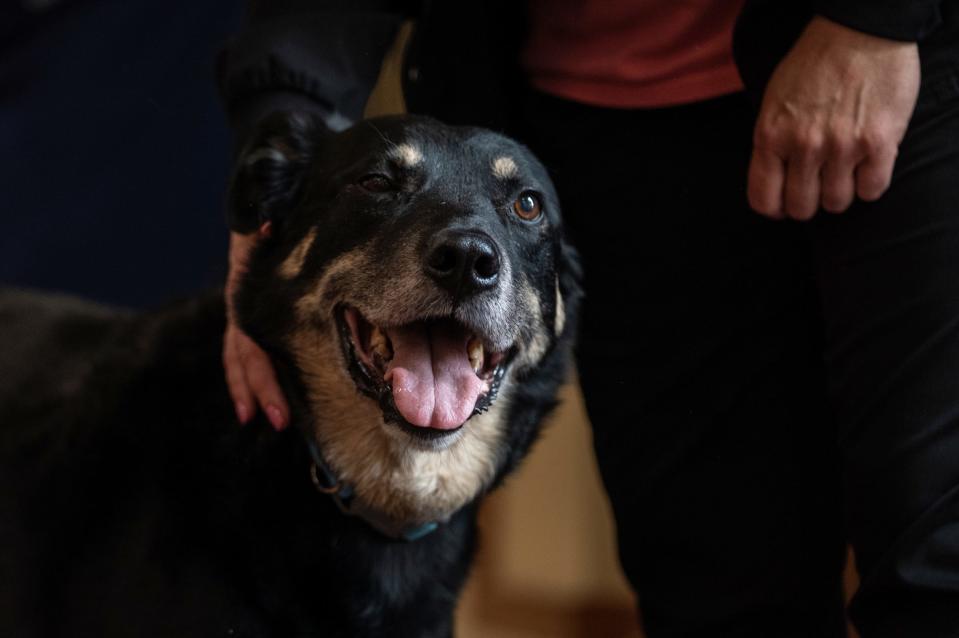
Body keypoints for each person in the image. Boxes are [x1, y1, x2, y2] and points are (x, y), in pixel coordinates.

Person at [216, 2, 959, 635]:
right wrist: (284, 128)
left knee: (936, 562)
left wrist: (872, 16)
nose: (469, 255)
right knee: (714, 589)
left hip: (899, 70)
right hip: (604, 129)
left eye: (522, 208)